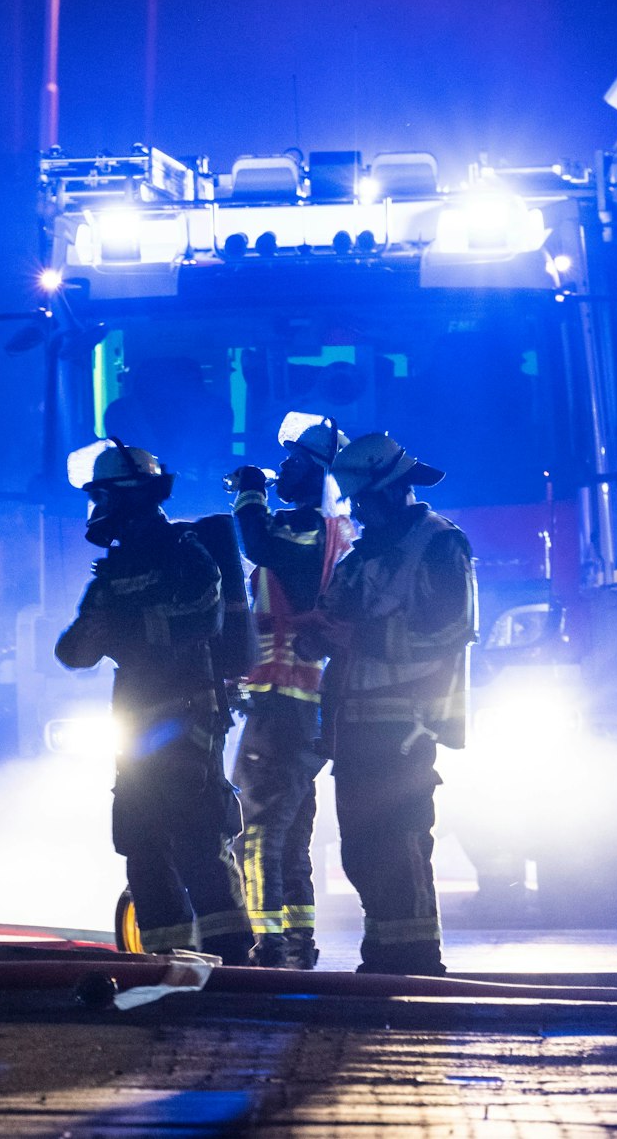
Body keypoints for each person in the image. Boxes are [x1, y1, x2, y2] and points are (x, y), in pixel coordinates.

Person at [55, 439, 254, 964]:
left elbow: (199, 619)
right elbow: (75, 651)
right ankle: (165, 963)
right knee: (141, 844)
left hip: (188, 714)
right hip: (135, 720)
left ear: (125, 496)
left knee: (197, 838)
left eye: (100, 495)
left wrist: (121, 627)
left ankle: (233, 962)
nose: (97, 507)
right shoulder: (114, 570)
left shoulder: (187, 554)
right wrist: (100, 631)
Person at [300, 433, 476, 976]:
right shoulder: (362, 552)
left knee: (400, 844)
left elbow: (454, 628)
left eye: (364, 498)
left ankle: (418, 960)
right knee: (361, 849)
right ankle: (383, 956)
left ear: (393, 489)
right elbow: (334, 618)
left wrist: (362, 639)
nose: (357, 508)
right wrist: (316, 634)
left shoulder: (440, 544)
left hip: (407, 721)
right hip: (354, 723)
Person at [226, 414, 352, 969]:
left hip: (282, 705)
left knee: (254, 832)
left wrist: (250, 493)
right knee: (291, 833)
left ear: (319, 472)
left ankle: (265, 944)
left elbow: (259, 541)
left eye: (295, 460)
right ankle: (297, 942)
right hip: (306, 707)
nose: (284, 468)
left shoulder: (305, 531)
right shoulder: (333, 534)